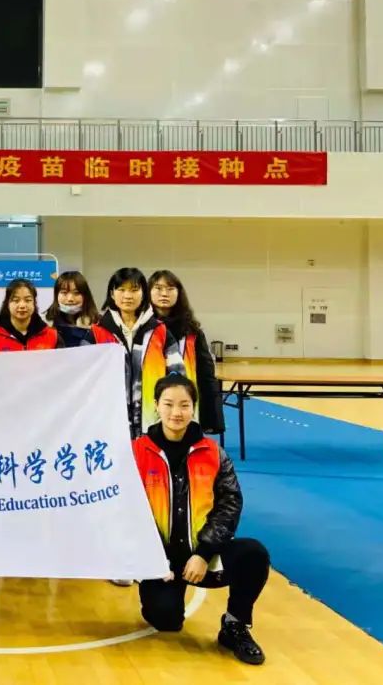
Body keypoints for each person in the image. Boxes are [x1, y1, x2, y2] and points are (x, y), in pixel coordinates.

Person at [133, 375, 269, 665]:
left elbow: (230, 504)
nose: (176, 412)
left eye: (184, 405)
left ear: (193, 407)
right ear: (156, 405)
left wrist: (204, 553)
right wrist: (152, 558)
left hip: (204, 556)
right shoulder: (136, 452)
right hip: (161, 561)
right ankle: (162, 596)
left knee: (254, 554)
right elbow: (129, 510)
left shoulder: (213, 453)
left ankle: (234, 624)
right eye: (168, 404)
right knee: (166, 620)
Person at [90, 267, 185, 438]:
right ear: (112, 294)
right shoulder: (96, 333)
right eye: (121, 290)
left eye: (134, 290)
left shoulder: (160, 331)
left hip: (153, 419)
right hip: (109, 419)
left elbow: (177, 374)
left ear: (143, 294)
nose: (128, 296)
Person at [149, 270, 225, 433]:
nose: (164, 294)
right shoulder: (142, 330)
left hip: (183, 401)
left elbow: (206, 374)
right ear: (148, 292)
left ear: (179, 293)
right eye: (158, 288)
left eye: (170, 288)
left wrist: (213, 417)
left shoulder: (192, 332)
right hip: (148, 404)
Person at [0, 278, 63, 351]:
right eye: (16, 300)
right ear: (7, 304)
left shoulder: (53, 336)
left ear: (34, 303)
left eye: (28, 300)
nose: (22, 305)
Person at [43, 270, 99, 348]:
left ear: (85, 295)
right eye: (64, 293)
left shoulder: (98, 322)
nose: (70, 299)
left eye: (76, 293)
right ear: (56, 295)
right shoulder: (44, 322)